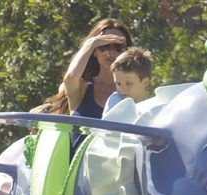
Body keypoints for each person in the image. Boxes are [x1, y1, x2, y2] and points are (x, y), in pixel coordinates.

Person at [63, 18, 133, 149]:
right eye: (104, 46)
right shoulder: (82, 88)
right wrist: (90, 43)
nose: (111, 52)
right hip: (79, 167)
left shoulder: (132, 92)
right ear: (95, 51)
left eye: (118, 47)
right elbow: (70, 77)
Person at [103, 47, 153, 113]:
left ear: (145, 82)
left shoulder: (154, 106)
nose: (122, 89)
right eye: (118, 84)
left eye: (128, 83)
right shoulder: (115, 102)